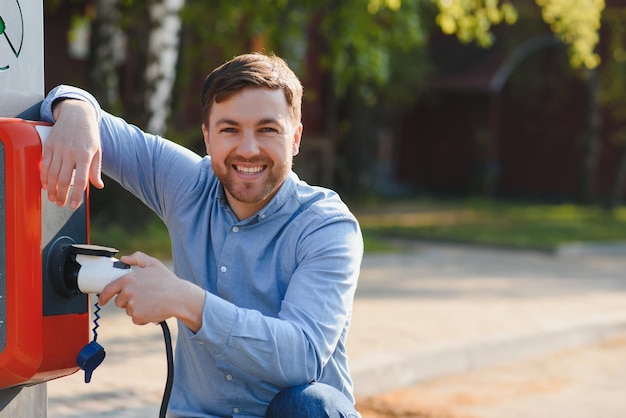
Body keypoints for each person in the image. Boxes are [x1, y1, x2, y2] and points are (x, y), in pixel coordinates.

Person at [39, 52, 363, 418]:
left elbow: (302, 356)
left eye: (267, 129)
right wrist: (77, 113)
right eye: (230, 129)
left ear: (295, 138)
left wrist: (186, 301)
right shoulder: (188, 183)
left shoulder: (326, 226)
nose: (248, 148)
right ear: (207, 138)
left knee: (309, 404)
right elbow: (77, 106)